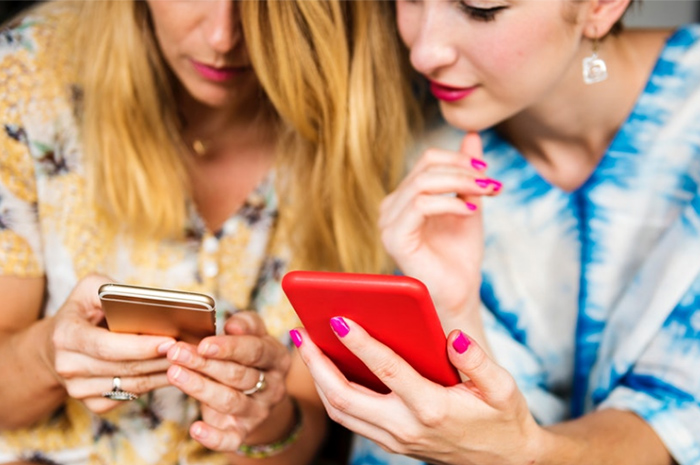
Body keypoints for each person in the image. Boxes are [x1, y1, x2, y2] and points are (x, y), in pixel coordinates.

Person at [0, 1, 416, 464]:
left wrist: (265, 413)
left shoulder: (354, 126)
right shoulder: (27, 74)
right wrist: (47, 357)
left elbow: (304, 426)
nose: (223, 37)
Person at [291, 0, 700, 464]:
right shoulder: (400, 150)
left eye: (480, 9)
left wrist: (523, 452)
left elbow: (676, 423)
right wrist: (457, 316)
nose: (424, 53)